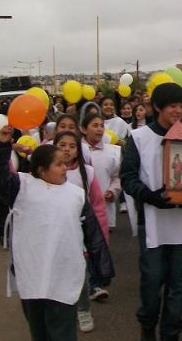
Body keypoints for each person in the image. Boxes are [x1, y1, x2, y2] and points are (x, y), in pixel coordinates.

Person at [0, 126, 113, 341]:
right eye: (58, 164)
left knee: (62, 331)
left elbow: (92, 233)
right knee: (39, 332)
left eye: (65, 164)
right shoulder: (21, 187)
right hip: (32, 275)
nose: (65, 168)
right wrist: (1, 146)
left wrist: (103, 268)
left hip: (64, 274)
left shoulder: (76, 195)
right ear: (41, 170)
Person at [120, 82, 182, 341]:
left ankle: (171, 333)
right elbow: (128, 177)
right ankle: (147, 325)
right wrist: (150, 196)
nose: (178, 111)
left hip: (181, 225)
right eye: (172, 106)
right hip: (153, 223)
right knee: (151, 282)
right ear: (157, 107)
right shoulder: (138, 138)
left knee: (178, 286)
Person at [55, 130, 109, 333]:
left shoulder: (88, 172)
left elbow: (97, 205)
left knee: (80, 276)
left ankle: (83, 310)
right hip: (55, 234)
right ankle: (62, 311)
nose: (67, 150)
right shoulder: (47, 172)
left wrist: (98, 236)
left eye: (71, 146)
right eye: (62, 145)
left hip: (80, 234)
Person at [81, 113, 121, 238]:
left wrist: (112, 191)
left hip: (103, 207)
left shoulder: (113, 151)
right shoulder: (75, 149)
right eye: (95, 125)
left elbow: (117, 177)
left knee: (101, 247)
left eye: (101, 126)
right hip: (80, 207)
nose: (99, 129)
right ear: (83, 129)